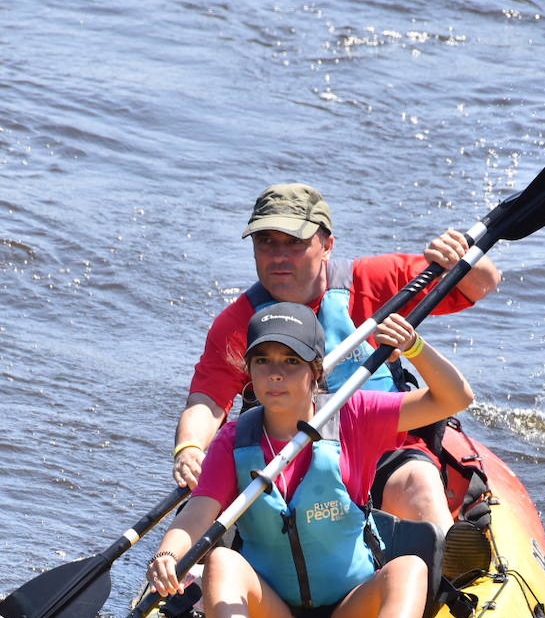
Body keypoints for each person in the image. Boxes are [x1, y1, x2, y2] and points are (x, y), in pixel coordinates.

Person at [171, 183, 499, 559]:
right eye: (266, 242)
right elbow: (208, 400)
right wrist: (190, 447)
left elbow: (482, 283)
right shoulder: (237, 323)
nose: (278, 257)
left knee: (420, 484)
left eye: (294, 243)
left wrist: (462, 253)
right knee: (211, 520)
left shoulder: (376, 282)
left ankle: (444, 582)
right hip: (287, 460)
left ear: (327, 245)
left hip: (382, 451)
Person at [149, 300, 475, 618]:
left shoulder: (354, 413)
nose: (275, 374)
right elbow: (198, 512)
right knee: (221, 561)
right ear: (250, 372)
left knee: (410, 567)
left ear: (315, 370)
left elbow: (455, 398)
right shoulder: (233, 440)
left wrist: (415, 348)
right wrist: (168, 554)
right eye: (263, 361)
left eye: (291, 361)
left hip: (349, 613)